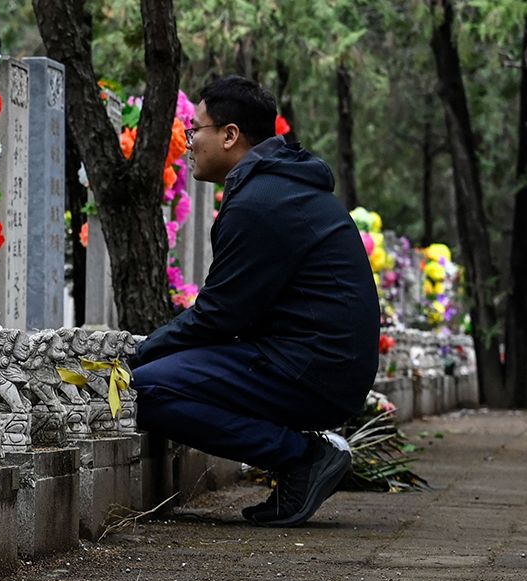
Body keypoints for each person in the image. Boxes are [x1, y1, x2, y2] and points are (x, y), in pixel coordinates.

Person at [131, 76, 378, 526]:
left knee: (145, 388)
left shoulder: (261, 200)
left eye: (195, 130)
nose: (188, 144)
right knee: (158, 374)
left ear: (229, 135)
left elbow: (220, 315)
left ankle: (303, 457)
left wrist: (135, 354)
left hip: (312, 368)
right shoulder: (279, 185)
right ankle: (301, 457)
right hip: (323, 364)